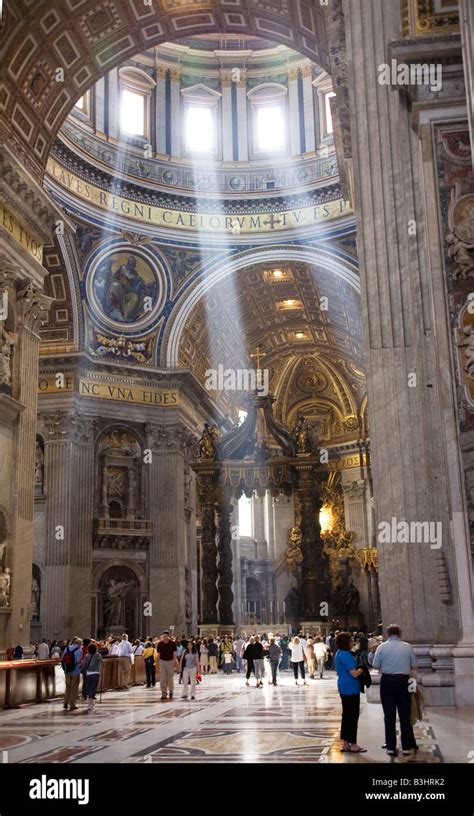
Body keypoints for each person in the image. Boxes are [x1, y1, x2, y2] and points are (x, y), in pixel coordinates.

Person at [373, 624, 418, 756]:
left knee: (389, 716)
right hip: (404, 681)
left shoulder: (381, 647)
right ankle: (406, 747)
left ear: (387, 634)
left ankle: (391, 747)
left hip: (387, 682)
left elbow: (375, 665)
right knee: (405, 716)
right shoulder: (407, 646)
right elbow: (414, 666)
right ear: (399, 633)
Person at [334, 631, 366, 752]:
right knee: (352, 716)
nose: (352, 642)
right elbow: (354, 674)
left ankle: (346, 743)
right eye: (351, 640)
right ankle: (353, 744)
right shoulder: (346, 655)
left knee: (346, 716)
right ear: (346, 642)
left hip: (343, 687)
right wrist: (362, 668)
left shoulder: (338, 653)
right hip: (351, 688)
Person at [62, 637, 83, 711]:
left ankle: (65, 702)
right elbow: (78, 661)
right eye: (81, 644)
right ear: (79, 643)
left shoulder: (67, 648)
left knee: (68, 686)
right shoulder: (79, 650)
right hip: (75, 671)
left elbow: (63, 658)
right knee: (74, 688)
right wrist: (81, 664)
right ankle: (72, 704)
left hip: (67, 670)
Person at [156, 631, 178, 700]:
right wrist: (157, 663)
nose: (165, 637)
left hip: (170, 661)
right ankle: (164, 693)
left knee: (170, 678)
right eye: (164, 636)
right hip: (162, 661)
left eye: (166, 636)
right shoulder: (160, 644)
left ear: (168, 636)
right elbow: (158, 654)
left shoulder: (173, 644)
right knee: (162, 678)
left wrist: (174, 662)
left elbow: (174, 654)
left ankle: (171, 690)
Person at [81, 643, 103, 710]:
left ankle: (90, 701)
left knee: (88, 687)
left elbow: (84, 665)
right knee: (93, 687)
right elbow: (102, 662)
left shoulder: (87, 656)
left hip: (88, 673)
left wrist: (82, 670)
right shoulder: (98, 655)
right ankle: (91, 701)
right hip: (96, 673)